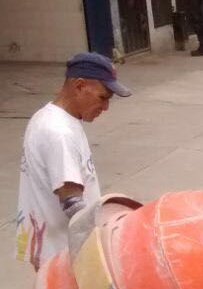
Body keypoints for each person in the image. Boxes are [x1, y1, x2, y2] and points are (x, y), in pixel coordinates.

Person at [15, 53, 130, 271]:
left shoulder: (48, 116)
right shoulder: (59, 133)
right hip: (65, 256)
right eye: (103, 97)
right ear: (79, 86)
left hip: (55, 249)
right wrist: (107, 239)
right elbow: (72, 204)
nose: (106, 107)